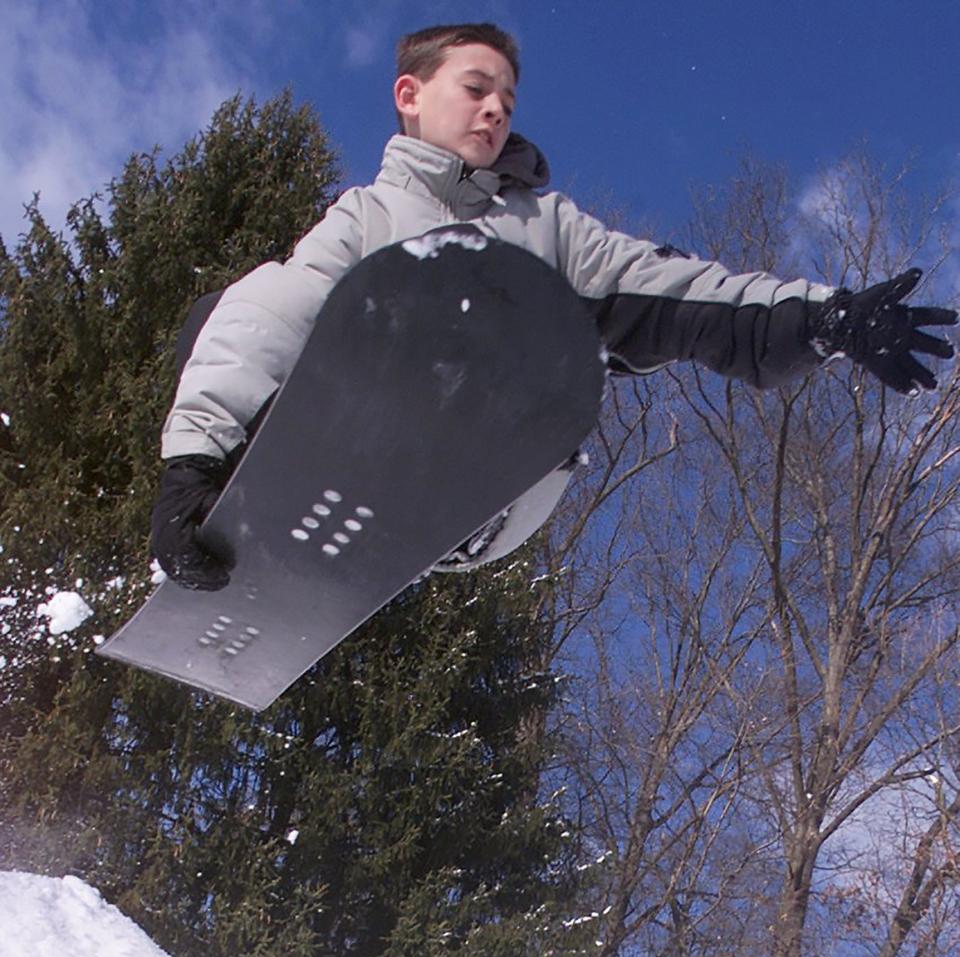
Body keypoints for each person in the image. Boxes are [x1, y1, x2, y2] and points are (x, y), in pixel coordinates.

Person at [151, 22, 957, 591]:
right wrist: (191, 464)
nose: (496, 109)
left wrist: (825, 316)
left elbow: (671, 287)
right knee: (238, 306)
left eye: (506, 96)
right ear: (409, 94)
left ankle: (423, 481)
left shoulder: (547, 229)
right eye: (475, 88)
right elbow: (278, 315)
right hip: (369, 442)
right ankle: (238, 491)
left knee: (516, 294)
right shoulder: (367, 217)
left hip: (490, 488)